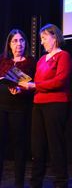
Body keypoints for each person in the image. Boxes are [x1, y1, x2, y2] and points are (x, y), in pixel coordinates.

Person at [19, 23, 72, 188]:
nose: (41, 42)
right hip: (38, 105)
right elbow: (36, 83)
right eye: (41, 38)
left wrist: (34, 85)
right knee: (37, 147)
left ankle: (60, 183)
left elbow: (59, 81)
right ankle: (35, 184)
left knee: (55, 145)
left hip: (56, 104)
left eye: (44, 38)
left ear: (54, 37)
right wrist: (21, 88)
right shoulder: (42, 59)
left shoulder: (63, 56)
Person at [0, 29, 35, 188]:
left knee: (19, 147)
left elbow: (35, 86)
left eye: (21, 40)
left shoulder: (30, 62)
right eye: (14, 41)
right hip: (2, 108)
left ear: (25, 43)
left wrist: (21, 89)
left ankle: (19, 183)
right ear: (9, 44)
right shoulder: (3, 61)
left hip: (20, 109)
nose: (18, 44)